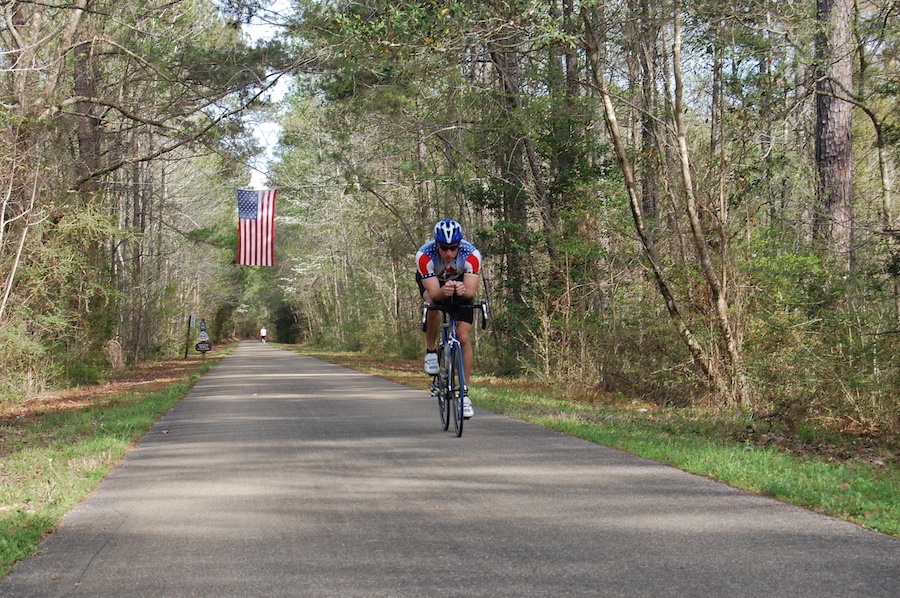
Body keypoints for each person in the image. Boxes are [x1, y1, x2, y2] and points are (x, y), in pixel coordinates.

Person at [416, 218, 482, 418]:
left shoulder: (471, 255)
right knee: (432, 304)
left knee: (462, 338)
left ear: (459, 244)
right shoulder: (424, 256)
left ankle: (464, 395)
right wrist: (443, 290)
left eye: (453, 248)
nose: (449, 253)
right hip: (434, 285)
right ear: (436, 244)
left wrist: (463, 290)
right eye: (444, 248)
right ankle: (431, 351)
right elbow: (434, 293)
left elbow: (471, 292)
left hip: (460, 284)